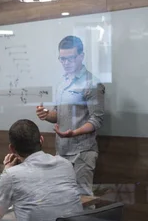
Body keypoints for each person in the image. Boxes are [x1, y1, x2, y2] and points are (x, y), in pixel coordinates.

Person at [36, 35, 105, 196]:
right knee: (61, 197)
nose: (66, 63)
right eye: (62, 59)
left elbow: (97, 120)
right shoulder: (62, 82)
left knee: (83, 200)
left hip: (82, 152)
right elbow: (57, 115)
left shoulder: (92, 83)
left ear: (81, 56)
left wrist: (74, 132)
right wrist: (45, 114)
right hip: (61, 151)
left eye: (70, 58)